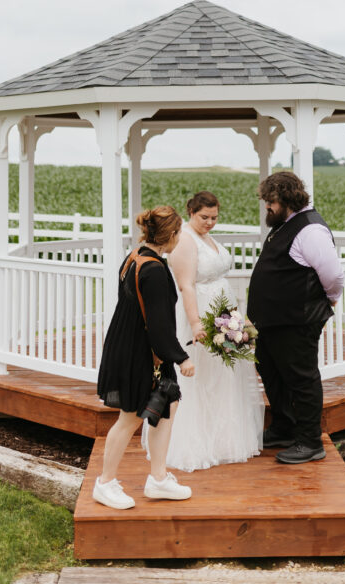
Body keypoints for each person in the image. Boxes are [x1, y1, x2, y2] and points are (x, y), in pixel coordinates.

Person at [147, 190, 263, 472]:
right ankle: (193, 444)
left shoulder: (206, 237)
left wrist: (234, 318)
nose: (210, 222)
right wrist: (196, 322)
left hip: (222, 313)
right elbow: (186, 284)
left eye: (214, 217)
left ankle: (222, 439)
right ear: (191, 212)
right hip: (198, 313)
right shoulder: (185, 239)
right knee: (199, 379)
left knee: (222, 376)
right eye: (204, 217)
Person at [94, 205, 195, 509]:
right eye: (180, 233)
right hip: (141, 353)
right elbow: (159, 326)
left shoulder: (136, 256)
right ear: (173, 235)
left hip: (132, 345)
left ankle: (158, 479)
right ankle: (105, 483)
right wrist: (181, 358)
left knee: (168, 405)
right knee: (128, 418)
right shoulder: (153, 270)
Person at [247, 171, 344, 465]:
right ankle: (284, 427)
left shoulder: (311, 230)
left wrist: (330, 299)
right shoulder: (286, 224)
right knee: (271, 371)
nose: (267, 207)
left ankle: (309, 441)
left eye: (271, 201)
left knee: (301, 379)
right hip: (276, 322)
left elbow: (333, 275)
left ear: (286, 198)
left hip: (297, 320)